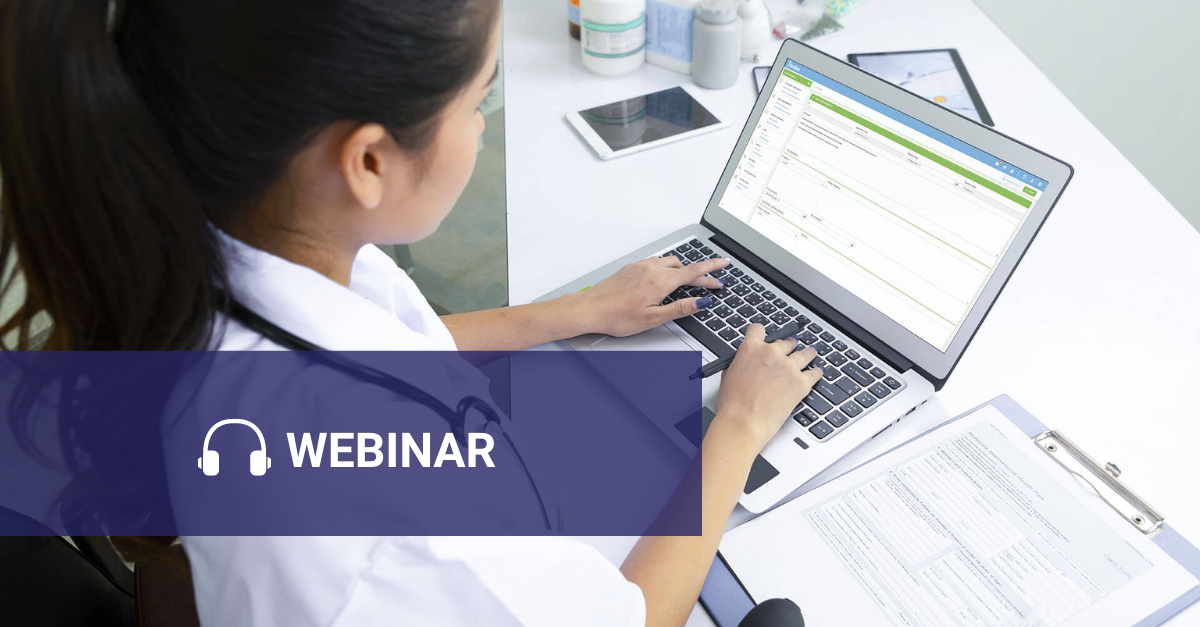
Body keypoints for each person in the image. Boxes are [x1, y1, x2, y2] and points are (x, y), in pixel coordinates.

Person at [0, 0, 821, 625]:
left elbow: (387, 350)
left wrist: (575, 310)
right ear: (366, 160)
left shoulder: (207, 249)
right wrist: (739, 427)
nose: (478, 128)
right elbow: (633, 615)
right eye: (477, 103)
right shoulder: (392, 513)